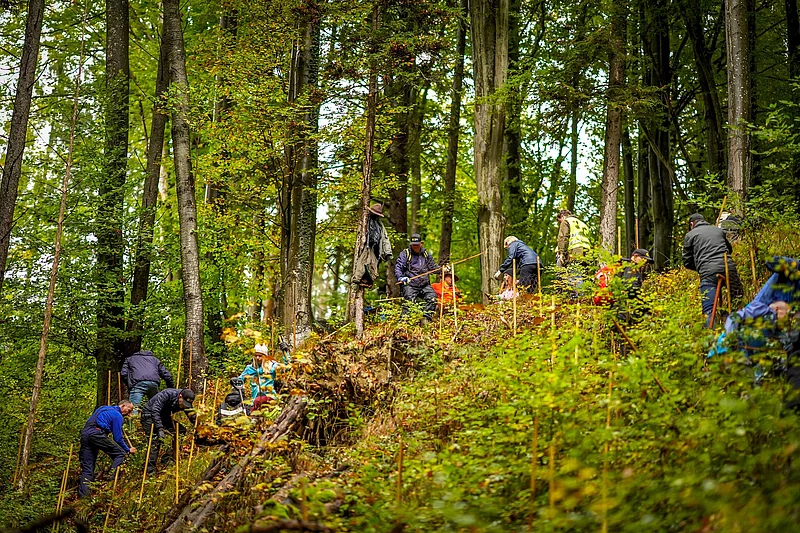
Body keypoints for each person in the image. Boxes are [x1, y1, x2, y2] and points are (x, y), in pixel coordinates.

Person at [682, 213, 744, 326]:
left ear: (691, 224)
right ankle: (734, 324)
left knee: (709, 309)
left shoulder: (690, 235)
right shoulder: (718, 230)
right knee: (737, 298)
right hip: (728, 267)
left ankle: (711, 335)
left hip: (708, 272)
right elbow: (729, 250)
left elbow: (687, 261)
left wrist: (701, 267)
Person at [78, 400, 136, 498]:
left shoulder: (103, 408)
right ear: (122, 406)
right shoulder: (117, 416)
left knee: (88, 469)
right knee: (120, 454)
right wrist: (128, 449)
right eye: (129, 410)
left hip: (85, 434)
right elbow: (117, 438)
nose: (129, 413)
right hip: (96, 434)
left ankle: (84, 497)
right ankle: (110, 480)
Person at [141, 388, 195, 475]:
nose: (184, 406)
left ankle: (167, 458)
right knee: (155, 441)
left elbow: (192, 415)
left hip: (163, 417)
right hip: (149, 415)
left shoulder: (185, 401)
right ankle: (149, 470)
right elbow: (155, 410)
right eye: (183, 403)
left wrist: (199, 426)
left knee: (181, 431)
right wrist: (160, 428)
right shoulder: (167, 394)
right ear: (180, 397)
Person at [395, 233, 441, 319]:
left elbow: (433, 267)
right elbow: (399, 266)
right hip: (410, 284)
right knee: (409, 302)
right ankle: (403, 323)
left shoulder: (426, 255)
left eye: (417, 245)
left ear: (421, 243)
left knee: (432, 298)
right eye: (413, 245)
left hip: (424, 284)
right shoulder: (405, 253)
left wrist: (443, 270)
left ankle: (426, 319)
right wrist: (401, 277)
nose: (415, 247)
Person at [351, 203, 393, 287]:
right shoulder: (365, 220)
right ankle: (357, 279)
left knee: (372, 266)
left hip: (376, 248)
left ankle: (367, 280)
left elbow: (385, 238)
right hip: (367, 245)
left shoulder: (380, 225)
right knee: (363, 261)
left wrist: (388, 252)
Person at [239, 343, 291, 410]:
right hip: (254, 401)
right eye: (256, 355)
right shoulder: (249, 368)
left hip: (269, 399)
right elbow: (239, 380)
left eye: (260, 356)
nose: (257, 358)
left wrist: (286, 352)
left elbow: (287, 367)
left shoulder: (272, 366)